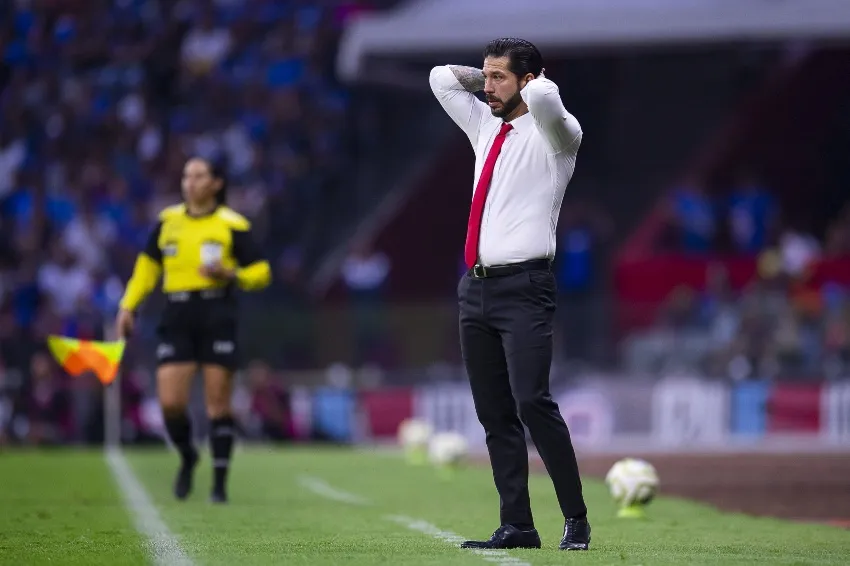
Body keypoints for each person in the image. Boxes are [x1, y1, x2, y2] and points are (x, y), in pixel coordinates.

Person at [429, 38, 590, 551]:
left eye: (500, 77)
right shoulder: (485, 127)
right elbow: (440, 78)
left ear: (530, 77)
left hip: (525, 286)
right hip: (474, 288)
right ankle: (518, 524)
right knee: (494, 412)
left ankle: (576, 518)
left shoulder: (557, 135)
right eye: (486, 76)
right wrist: (492, 78)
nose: (488, 87)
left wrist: (524, 80)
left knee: (531, 401)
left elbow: (544, 99)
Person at [116, 157, 271, 503]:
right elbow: (146, 270)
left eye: (199, 176)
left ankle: (219, 484)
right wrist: (128, 306)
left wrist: (233, 275)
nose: (190, 182)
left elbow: (261, 272)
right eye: (186, 175)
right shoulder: (167, 222)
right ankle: (188, 455)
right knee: (170, 402)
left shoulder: (232, 224)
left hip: (217, 312)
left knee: (218, 402)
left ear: (216, 183)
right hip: (178, 313)